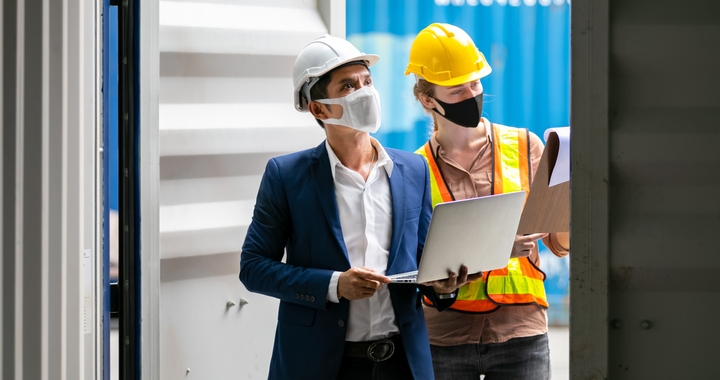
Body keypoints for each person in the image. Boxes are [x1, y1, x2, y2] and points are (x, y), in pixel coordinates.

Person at [240, 34, 478, 380]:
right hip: (321, 364)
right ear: (319, 108)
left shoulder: (412, 170)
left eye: (368, 81)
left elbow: (426, 261)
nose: (365, 92)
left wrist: (443, 286)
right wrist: (335, 285)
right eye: (349, 86)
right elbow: (253, 267)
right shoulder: (287, 177)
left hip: (402, 362)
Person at [404, 23, 571, 380]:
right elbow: (412, 260)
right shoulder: (414, 169)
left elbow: (560, 244)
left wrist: (574, 199)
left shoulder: (527, 147)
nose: (471, 94)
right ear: (427, 99)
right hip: (444, 336)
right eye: (456, 88)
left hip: (520, 331)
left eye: (475, 83)